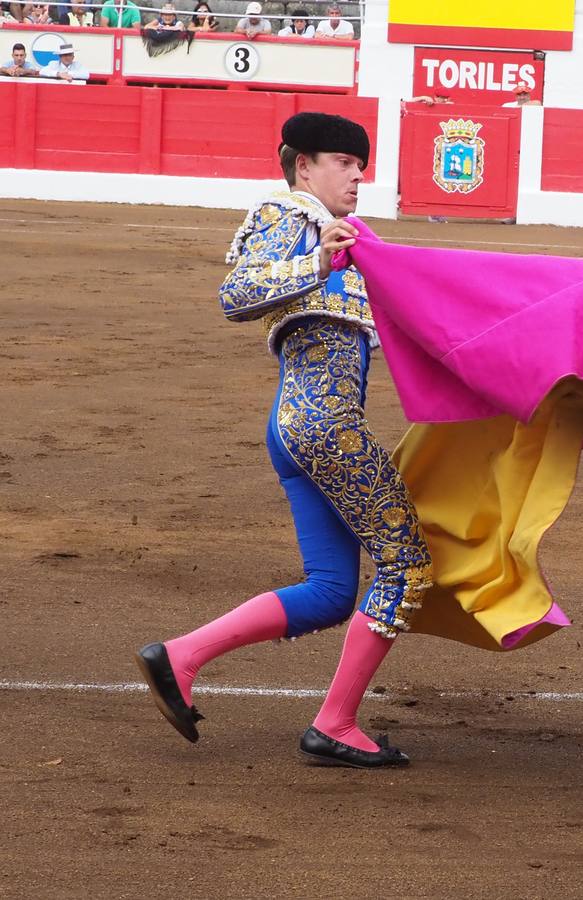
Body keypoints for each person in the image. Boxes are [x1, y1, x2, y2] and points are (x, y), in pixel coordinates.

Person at [135, 113, 430, 769]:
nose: (358, 174)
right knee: (406, 565)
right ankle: (335, 722)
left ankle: (181, 657)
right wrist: (318, 257)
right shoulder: (289, 214)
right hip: (325, 427)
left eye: (362, 164)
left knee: (329, 591)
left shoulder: (341, 235)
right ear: (303, 164)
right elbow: (236, 292)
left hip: (300, 429)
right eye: (345, 162)